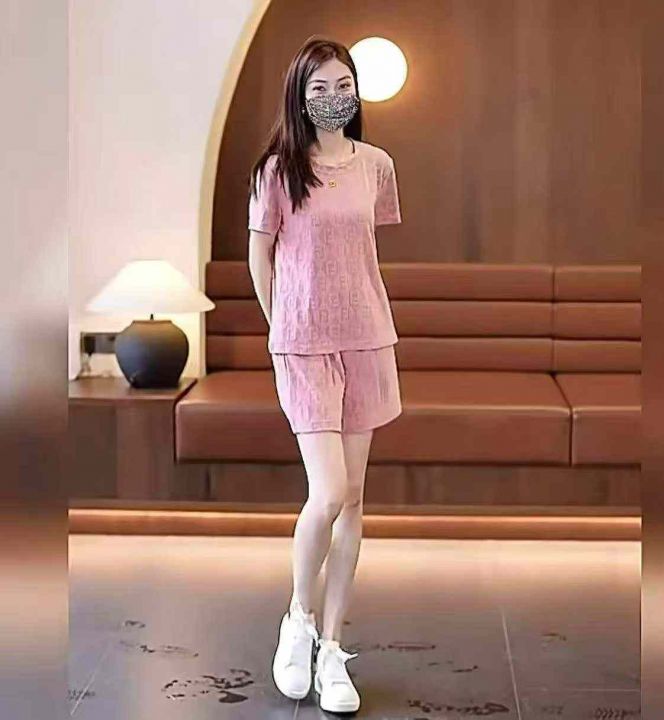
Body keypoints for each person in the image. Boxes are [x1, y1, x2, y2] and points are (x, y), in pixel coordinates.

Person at [247, 35, 403, 714]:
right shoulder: (277, 171)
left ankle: (334, 649)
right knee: (330, 489)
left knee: (355, 498)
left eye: (343, 85)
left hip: (366, 339)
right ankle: (298, 618)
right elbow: (261, 257)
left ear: (356, 92)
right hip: (303, 346)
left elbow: (362, 253)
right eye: (319, 87)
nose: (333, 97)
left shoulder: (377, 166)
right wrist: (279, 326)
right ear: (299, 96)